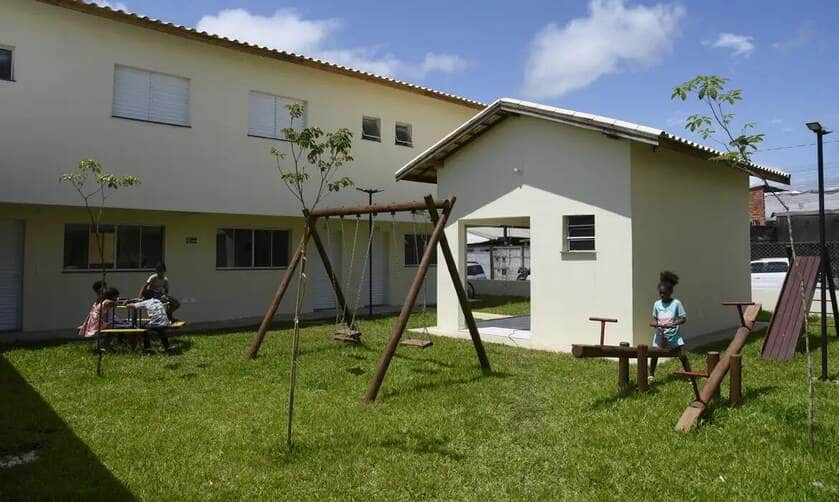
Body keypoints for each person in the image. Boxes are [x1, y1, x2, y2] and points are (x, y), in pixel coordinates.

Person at [648, 271, 688, 382]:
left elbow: (683, 319)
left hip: (674, 335)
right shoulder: (657, 304)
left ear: (670, 292)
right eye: (660, 293)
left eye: (664, 293)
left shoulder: (676, 303)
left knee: (682, 356)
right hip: (660, 335)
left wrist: (674, 323)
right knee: (654, 354)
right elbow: (655, 319)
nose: (662, 295)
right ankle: (651, 374)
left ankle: (689, 375)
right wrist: (655, 324)